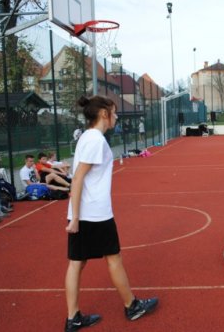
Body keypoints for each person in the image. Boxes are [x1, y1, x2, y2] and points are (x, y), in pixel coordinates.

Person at [64, 95, 158, 331]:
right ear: (104, 114)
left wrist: (75, 215)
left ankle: (73, 317)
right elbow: (77, 179)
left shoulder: (88, 137)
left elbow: (79, 178)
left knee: (77, 263)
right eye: (114, 112)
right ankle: (132, 306)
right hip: (94, 213)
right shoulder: (95, 140)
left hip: (86, 211)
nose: (116, 116)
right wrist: (75, 218)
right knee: (113, 258)